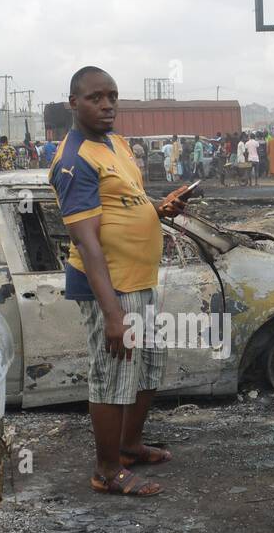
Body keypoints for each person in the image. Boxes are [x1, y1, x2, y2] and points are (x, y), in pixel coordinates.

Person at [48, 65, 186, 498]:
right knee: (112, 375)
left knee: (146, 369)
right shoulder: (73, 161)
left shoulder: (116, 144)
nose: (107, 105)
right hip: (111, 288)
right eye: (95, 97)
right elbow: (87, 243)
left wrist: (158, 210)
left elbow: (128, 199)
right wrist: (112, 315)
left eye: (112, 96)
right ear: (74, 103)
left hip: (140, 279)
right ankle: (106, 472)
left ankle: (128, 447)